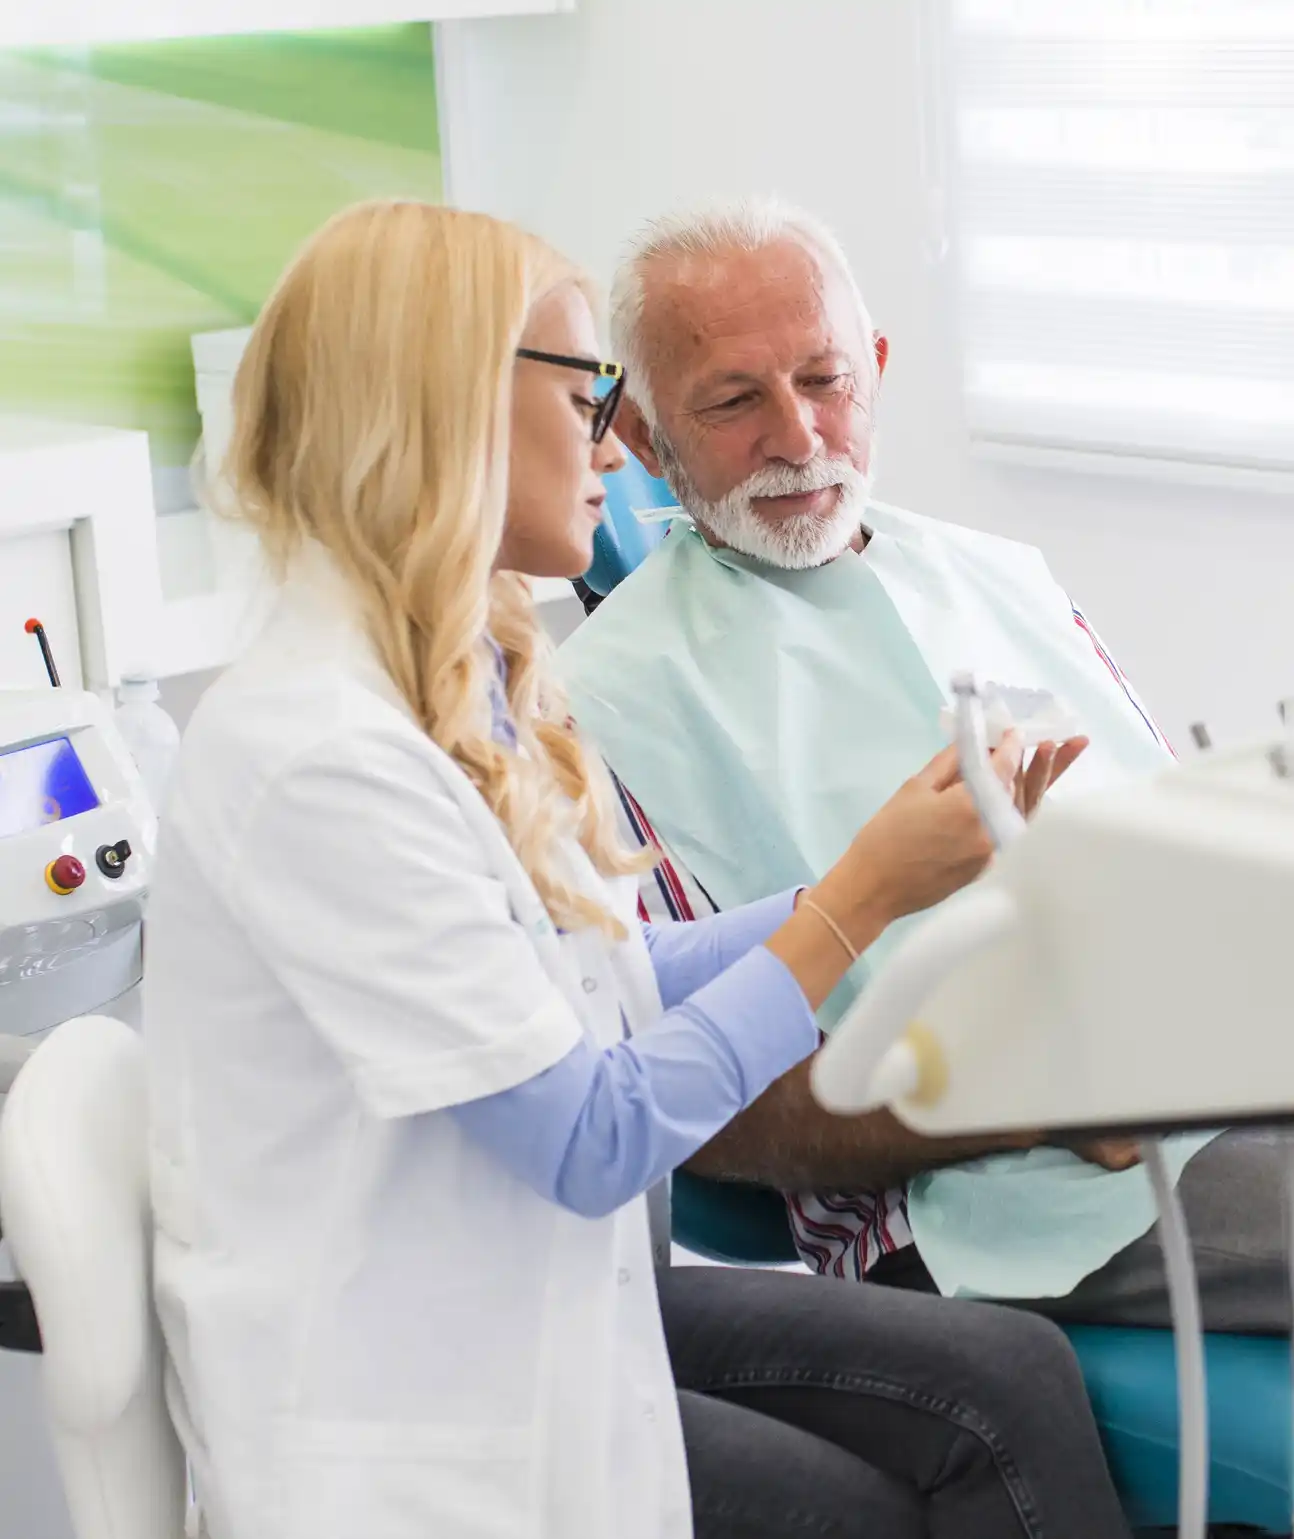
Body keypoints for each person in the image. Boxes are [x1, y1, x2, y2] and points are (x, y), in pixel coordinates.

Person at [141, 200, 1134, 1539]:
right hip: (420, 1382)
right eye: (588, 391)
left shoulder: (440, 682)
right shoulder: (316, 753)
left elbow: (602, 965)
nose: (607, 435)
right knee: (868, 1507)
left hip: (532, 1281)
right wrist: (858, 905)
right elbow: (588, 1133)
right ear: (446, 410)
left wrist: (882, 869)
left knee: (1006, 1378)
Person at [559, 196, 1289, 1333]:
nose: (798, 438)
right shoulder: (601, 706)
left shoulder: (1006, 574)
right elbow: (698, 1112)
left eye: (823, 379)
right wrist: (1041, 1094)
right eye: (734, 401)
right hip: (997, 1197)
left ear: (877, 369)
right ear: (647, 440)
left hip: (1218, 1066)